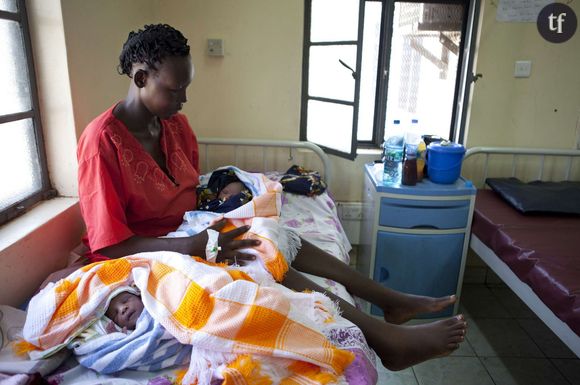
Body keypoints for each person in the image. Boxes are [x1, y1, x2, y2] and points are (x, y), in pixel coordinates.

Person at [77, 23, 467, 372]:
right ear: (142, 77)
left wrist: (223, 199)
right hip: (139, 255)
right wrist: (194, 243)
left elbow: (188, 191)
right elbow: (110, 245)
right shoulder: (101, 143)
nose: (184, 100)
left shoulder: (176, 127)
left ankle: (388, 300)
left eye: (187, 88)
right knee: (260, 254)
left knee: (267, 230)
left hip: (189, 232)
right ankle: (385, 337)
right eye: (175, 90)